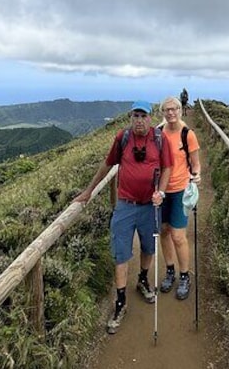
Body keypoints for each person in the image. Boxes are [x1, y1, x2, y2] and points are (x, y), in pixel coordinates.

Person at [75, 100, 173, 334]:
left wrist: (161, 191)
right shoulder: (123, 138)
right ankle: (120, 303)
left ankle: (142, 279)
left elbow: (167, 168)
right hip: (125, 206)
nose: (139, 120)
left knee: (149, 247)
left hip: (150, 205)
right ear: (130, 118)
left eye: (143, 116)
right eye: (135, 116)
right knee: (121, 253)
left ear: (150, 118)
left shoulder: (160, 140)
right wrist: (88, 191)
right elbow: (107, 164)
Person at [157, 96, 202, 300]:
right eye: (167, 110)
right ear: (162, 112)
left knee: (177, 235)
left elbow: (196, 163)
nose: (171, 113)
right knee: (164, 231)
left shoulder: (187, 134)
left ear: (180, 110)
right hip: (161, 191)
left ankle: (184, 275)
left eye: (174, 109)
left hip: (180, 190)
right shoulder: (158, 133)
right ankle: (170, 271)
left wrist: (196, 175)